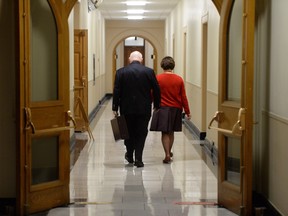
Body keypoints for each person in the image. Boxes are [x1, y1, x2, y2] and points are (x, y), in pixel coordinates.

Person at [112, 51, 161, 168]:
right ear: (142, 59)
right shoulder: (149, 72)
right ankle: (138, 158)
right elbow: (156, 89)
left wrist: (115, 107)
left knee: (127, 131)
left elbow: (117, 90)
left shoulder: (120, 72)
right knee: (141, 132)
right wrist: (157, 105)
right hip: (143, 108)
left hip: (126, 108)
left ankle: (129, 155)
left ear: (130, 59)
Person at [152, 56, 191, 164]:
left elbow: (153, 93)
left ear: (162, 66)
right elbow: (183, 97)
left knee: (164, 132)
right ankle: (169, 151)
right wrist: (187, 111)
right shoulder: (179, 79)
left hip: (162, 108)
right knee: (171, 131)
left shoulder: (158, 78)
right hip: (176, 108)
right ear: (173, 66)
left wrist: (151, 103)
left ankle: (167, 154)